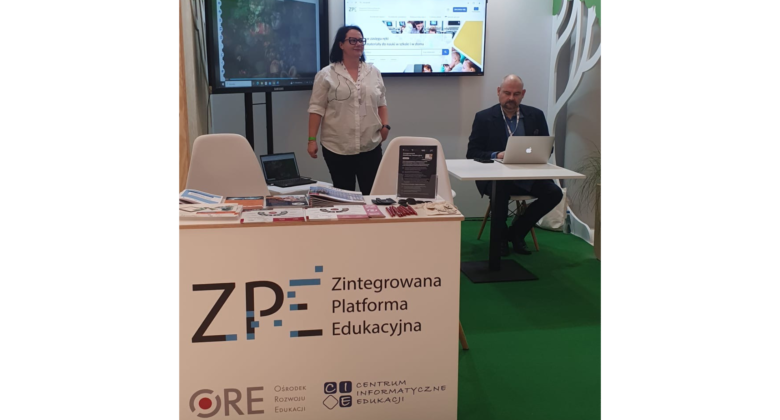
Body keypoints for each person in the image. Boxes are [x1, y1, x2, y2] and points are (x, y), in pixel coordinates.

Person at [466, 75, 563, 256]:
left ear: (523, 94)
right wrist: (497, 155)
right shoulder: (484, 117)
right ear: (498, 92)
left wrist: (536, 154)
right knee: (500, 191)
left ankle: (516, 232)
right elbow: (472, 152)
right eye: (507, 93)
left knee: (554, 193)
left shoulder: (536, 115)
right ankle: (500, 238)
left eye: (516, 94)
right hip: (495, 176)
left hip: (528, 175)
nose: (511, 98)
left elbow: (547, 148)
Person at [307, 26, 392, 195]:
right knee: (344, 196)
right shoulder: (326, 74)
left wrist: (385, 126)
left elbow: (381, 102)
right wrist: (311, 140)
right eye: (352, 40)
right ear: (341, 44)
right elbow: (316, 108)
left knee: (373, 195)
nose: (358, 44)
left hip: (370, 145)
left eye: (361, 40)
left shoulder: (373, 72)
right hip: (337, 146)